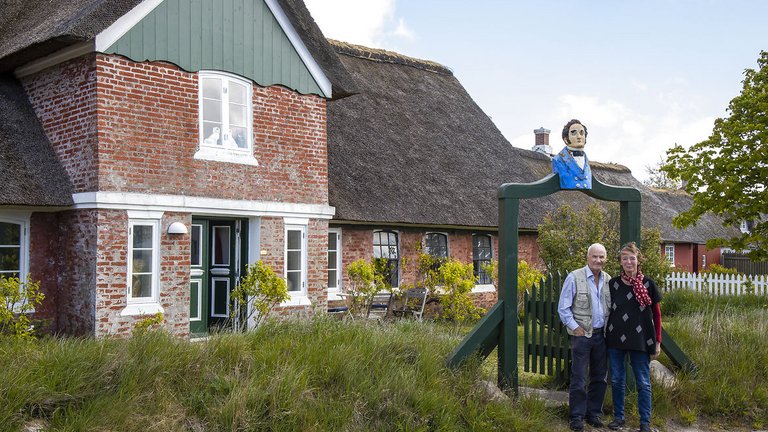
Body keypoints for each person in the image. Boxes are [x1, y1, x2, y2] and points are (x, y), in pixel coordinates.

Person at [605, 242, 662, 432]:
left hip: (641, 339)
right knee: (617, 380)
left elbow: (657, 315)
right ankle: (618, 418)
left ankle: (645, 422)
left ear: (638, 260)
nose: (629, 262)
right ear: (620, 262)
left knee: (643, 382)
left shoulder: (648, 284)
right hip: (615, 338)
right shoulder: (612, 284)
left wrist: (658, 342)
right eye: (624, 258)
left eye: (632, 258)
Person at [558, 243, 611, 431]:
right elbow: (563, 308)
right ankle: (576, 417)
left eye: (602, 257)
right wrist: (574, 327)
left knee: (599, 377)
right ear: (588, 258)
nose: (598, 260)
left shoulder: (607, 279)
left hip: (601, 336)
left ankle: (593, 413)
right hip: (582, 336)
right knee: (579, 377)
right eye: (595, 256)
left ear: (605, 258)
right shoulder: (574, 277)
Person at [552, 119, 592, 190]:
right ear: (566, 139)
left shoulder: (586, 161)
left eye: (582, 133)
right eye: (574, 133)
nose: (579, 137)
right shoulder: (558, 160)